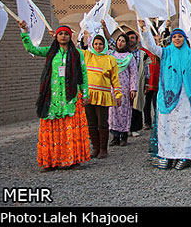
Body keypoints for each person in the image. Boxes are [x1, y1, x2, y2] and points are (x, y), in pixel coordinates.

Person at [17, 21, 90, 171]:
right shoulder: (50, 52)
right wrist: (25, 31)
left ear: (70, 37)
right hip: (52, 98)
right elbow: (31, 49)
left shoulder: (78, 54)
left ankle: (72, 160)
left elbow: (83, 74)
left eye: (66, 34)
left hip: (71, 98)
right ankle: (51, 161)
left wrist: (85, 94)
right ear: (56, 37)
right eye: (60, 34)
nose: (63, 36)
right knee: (52, 128)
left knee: (70, 128)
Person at [139, 22, 191, 170]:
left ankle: (185, 155)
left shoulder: (190, 55)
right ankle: (168, 155)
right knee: (167, 126)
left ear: (184, 39)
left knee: (186, 126)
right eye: (174, 37)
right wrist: (144, 30)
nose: (177, 39)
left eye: (180, 36)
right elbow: (150, 47)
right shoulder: (165, 53)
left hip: (186, 97)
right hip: (168, 97)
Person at [82, 33, 122, 159]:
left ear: (104, 45)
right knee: (91, 123)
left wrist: (118, 94)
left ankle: (103, 149)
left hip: (103, 96)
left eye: (100, 44)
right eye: (96, 44)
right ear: (92, 45)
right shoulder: (87, 56)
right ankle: (95, 148)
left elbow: (115, 79)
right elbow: (73, 49)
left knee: (102, 123)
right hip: (88, 95)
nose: (98, 46)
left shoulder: (110, 60)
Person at [108, 33, 138, 146]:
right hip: (112, 87)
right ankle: (115, 136)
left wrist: (133, 89)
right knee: (113, 111)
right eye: (119, 40)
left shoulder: (129, 57)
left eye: (123, 41)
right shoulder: (111, 54)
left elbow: (134, 73)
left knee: (124, 111)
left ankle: (124, 135)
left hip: (125, 88)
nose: (120, 43)